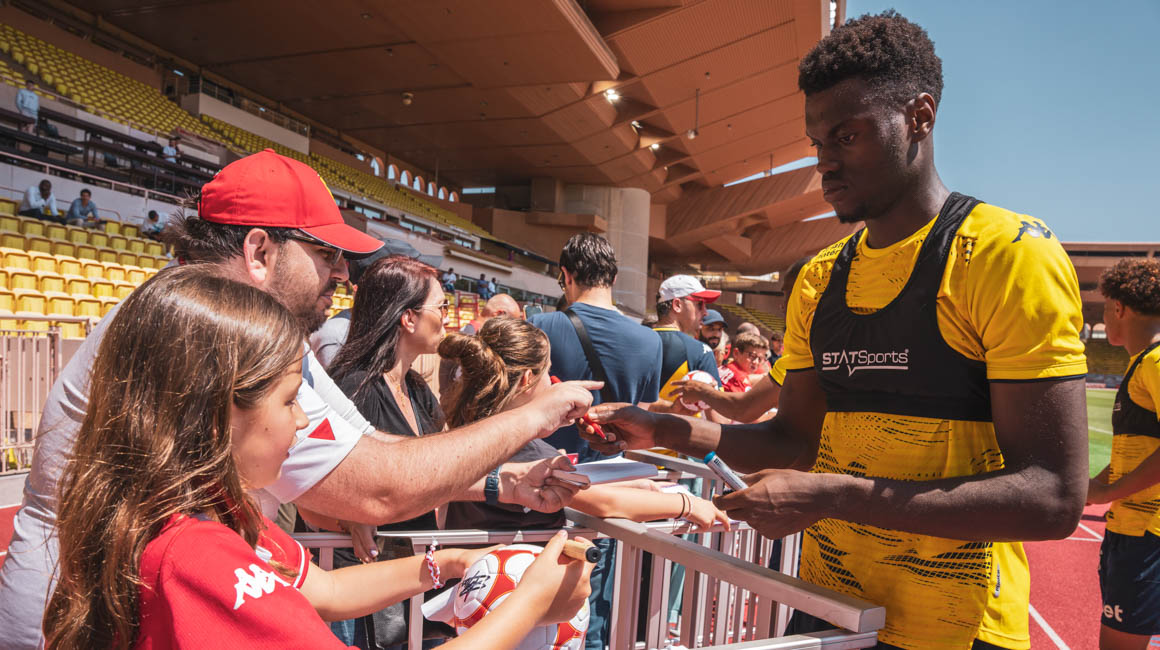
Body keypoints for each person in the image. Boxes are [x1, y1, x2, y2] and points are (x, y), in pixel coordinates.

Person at [584, 12, 1089, 649]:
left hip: (957, 629)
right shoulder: (821, 277)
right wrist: (666, 432)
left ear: (920, 117)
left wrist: (833, 497)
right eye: (817, 142)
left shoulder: (1004, 254)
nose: (824, 162)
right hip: (831, 609)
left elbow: (1052, 497)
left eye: (847, 137)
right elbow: (795, 441)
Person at [0, 149, 597, 648]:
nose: (342, 274)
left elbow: (368, 454)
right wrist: (530, 419)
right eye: (326, 254)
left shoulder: (224, 490)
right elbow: (377, 484)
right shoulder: (210, 342)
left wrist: (497, 487)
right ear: (260, 252)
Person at [321, 256, 583, 648]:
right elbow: (330, 477)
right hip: (358, 584)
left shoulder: (416, 389)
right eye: (441, 307)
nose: (448, 317)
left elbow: (434, 472)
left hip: (410, 576)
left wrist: (506, 483)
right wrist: (346, 511)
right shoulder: (355, 386)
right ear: (408, 318)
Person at [439, 317, 730, 533]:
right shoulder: (520, 446)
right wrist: (687, 504)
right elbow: (605, 502)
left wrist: (639, 484)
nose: (553, 382)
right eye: (548, 372)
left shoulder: (473, 426)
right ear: (528, 379)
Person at [529, 232, 662, 650]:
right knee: (596, 602)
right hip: (613, 488)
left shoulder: (541, 326)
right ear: (614, 278)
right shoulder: (650, 340)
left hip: (545, 483)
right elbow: (643, 418)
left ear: (565, 275)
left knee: (538, 603)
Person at [1085, 258, 1160, 650]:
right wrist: (1094, 485)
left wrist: (1106, 493)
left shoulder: (1155, 362)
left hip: (1148, 534)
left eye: (1103, 308)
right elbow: (1142, 450)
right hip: (1132, 531)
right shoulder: (1141, 364)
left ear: (1118, 308)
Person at [652, 275, 722, 410]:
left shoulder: (634, 342)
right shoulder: (700, 351)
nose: (705, 312)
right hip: (681, 424)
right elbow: (717, 416)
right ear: (677, 305)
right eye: (700, 304)